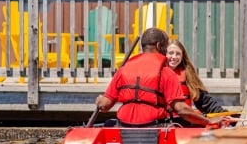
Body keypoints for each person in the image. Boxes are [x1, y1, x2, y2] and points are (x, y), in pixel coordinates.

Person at [94, 27, 227, 128]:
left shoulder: (123, 69)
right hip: (153, 127)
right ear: (159, 46)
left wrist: (100, 100)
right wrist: (208, 121)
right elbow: (181, 109)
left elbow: (104, 106)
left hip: (124, 126)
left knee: (109, 123)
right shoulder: (166, 72)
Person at [166, 39, 231, 127]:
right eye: (171, 53)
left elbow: (204, 101)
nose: (174, 57)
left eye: (178, 54)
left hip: (184, 121)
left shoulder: (188, 73)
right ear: (164, 54)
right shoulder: (158, 74)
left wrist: (223, 114)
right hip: (165, 122)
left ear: (182, 56)